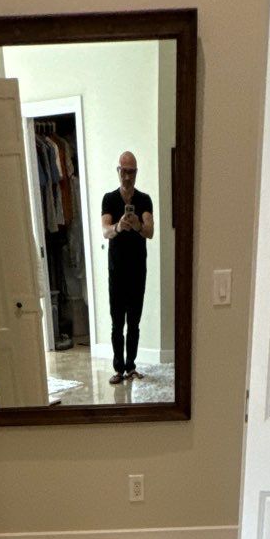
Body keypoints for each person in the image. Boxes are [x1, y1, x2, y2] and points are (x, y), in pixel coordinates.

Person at [100, 151, 154, 385]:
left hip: (137, 272)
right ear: (118, 171)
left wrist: (138, 225)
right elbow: (105, 231)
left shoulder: (144, 200)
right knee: (116, 323)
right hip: (116, 272)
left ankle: (131, 366)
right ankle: (118, 369)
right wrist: (119, 227)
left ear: (136, 173)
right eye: (124, 170)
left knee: (134, 322)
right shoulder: (109, 199)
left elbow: (150, 232)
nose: (127, 176)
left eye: (131, 171)